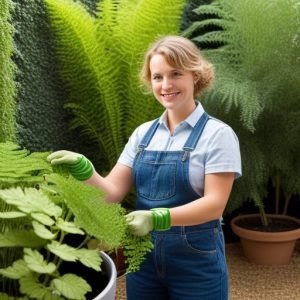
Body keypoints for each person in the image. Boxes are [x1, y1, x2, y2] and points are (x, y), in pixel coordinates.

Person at [47, 35, 241, 300]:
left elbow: (215, 204)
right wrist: (84, 169)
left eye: (176, 74)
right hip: (143, 258)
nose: (166, 85)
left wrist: (157, 218)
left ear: (195, 75)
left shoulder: (217, 134)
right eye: (157, 77)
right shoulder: (143, 135)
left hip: (196, 260)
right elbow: (110, 193)